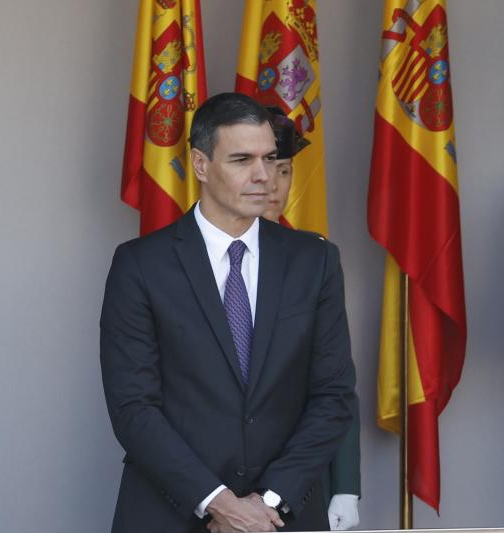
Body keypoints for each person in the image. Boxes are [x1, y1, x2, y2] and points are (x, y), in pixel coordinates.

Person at [100, 92, 357, 533]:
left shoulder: (315, 261)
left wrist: (267, 501)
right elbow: (133, 406)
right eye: (242, 160)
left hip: (283, 515)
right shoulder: (140, 264)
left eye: (270, 158)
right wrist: (218, 502)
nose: (264, 176)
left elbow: (333, 396)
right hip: (169, 513)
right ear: (201, 165)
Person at [264, 109, 362, 531]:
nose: (271, 184)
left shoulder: (315, 259)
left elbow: (334, 381)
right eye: (256, 166)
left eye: (284, 170)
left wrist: (344, 485)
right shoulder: (180, 258)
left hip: (301, 475)